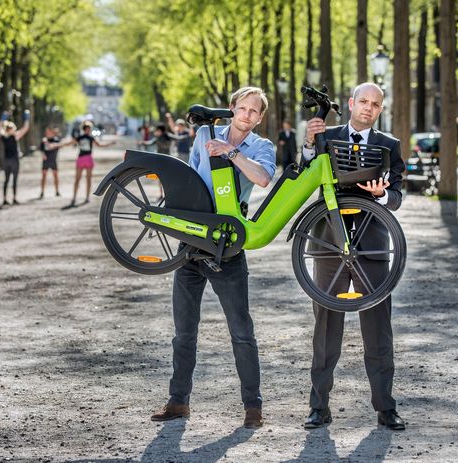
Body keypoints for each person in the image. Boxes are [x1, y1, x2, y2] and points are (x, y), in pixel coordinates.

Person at [150, 87, 276, 429]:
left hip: (228, 246)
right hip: (192, 241)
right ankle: (178, 402)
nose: (247, 115)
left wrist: (231, 152)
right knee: (184, 332)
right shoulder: (204, 133)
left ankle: (253, 407)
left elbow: (263, 178)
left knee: (241, 331)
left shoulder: (263, 147)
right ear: (232, 108)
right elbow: (190, 179)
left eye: (255, 111)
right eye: (243, 108)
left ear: (260, 118)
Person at [300, 82, 406, 431]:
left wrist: (384, 195)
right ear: (350, 103)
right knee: (326, 328)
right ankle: (319, 407)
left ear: (380, 109)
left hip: (373, 246)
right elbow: (303, 174)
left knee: (378, 329)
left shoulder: (390, 145)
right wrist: (306, 145)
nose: (368, 107)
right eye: (363, 101)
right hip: (329, 244)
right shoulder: (324, 136)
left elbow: (398, 194)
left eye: (376, 104)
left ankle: (385, 408)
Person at [57, 120, 115, 206]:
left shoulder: (91, 138)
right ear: (84, 129)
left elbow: (99, 145)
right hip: (81, 159)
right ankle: (74, 197)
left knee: (88, 179)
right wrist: (57, 145)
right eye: (87, 128)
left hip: (88, 159)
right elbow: (69, 143)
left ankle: (87, 197)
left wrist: (110, 144)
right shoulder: (80, 137)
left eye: (89, 129)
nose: (88, 130)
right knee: (77, 179)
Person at [0, 110, 30, 205]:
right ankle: (11, 198)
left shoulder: (5, 137)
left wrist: (2, 119)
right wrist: (27, 118)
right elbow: (25, 128)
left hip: (7, 160)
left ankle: (8, 198)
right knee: (11, 180)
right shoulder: (14, 137)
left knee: (8, 180)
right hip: (13, 160)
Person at [39, 127, 62, 199]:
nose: (47, 133)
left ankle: (57, 191)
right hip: (45, 161)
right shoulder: (43, 140)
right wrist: (43, 155)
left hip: (53, 160)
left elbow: (58, 146)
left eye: (48, 131)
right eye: (46, 132)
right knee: (44, 176)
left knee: (55, 176)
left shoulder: (56, 139)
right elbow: (41, 149)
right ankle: (42, 192)